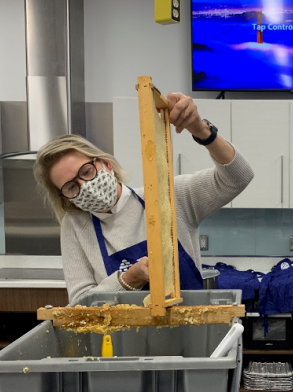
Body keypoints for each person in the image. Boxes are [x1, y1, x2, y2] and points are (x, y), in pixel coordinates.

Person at [34, 93, 254, 303]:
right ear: (66, 198)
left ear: (106, 165)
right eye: (71, 186)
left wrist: (202, 130)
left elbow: (239, 177)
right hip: (122, 341)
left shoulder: (169, 196)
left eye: (86, 172)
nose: (85, 186)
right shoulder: (76, 227)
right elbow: (80, 304)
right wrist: (128, 279)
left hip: (189, 333)